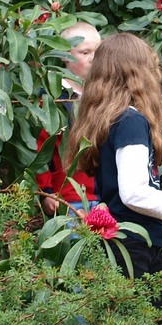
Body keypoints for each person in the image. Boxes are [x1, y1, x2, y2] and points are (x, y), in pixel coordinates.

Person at [67, 32, 162, 325]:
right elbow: (133, 194)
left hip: (128, 242)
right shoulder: (131, 121)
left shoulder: (112, 119)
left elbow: (123, 195)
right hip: (132, 247)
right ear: (138, 73)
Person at [37, 23, 102, 217]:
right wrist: (46, 191)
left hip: (105, 196)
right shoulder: (52, 99)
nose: (93, 58)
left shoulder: (105, 95)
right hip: (68, 197)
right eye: (85, 53)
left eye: (98, 51)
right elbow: (41, 150)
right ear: (65, 57)